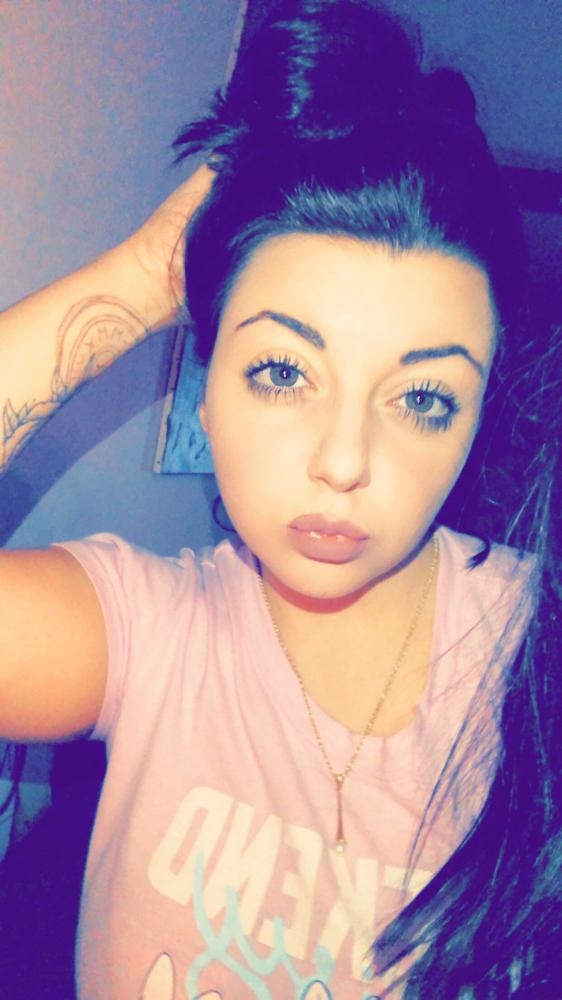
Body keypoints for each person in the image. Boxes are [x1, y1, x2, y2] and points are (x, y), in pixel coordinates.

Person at [0, 0, 559, 996]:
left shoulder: (537, 647)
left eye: (422, 398)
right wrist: (141, 279)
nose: (344, 461)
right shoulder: (150, 634)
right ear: (206, 390)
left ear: (476, 421)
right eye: (283, 372)